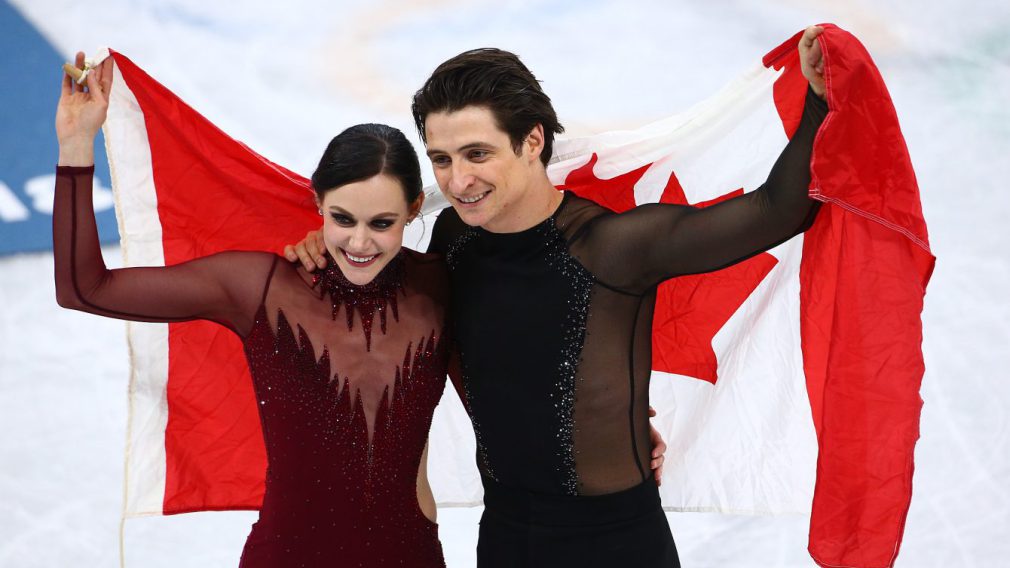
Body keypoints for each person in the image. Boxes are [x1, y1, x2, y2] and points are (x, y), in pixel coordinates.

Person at [287, 26, 830, 568]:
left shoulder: (613, 246)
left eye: (478, 153)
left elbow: (776, 210)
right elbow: (387, 294)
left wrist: (818, 99)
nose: (458, 180)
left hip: (617, 546)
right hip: (504, 538)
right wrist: (324, 246)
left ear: (532, 141)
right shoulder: (454, 240)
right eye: (442, 159)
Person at [54, 53, 448, 567]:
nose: (358, 241)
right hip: (287, 556)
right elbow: (86, 288)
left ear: (415, 209)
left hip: (409, 556)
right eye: (341, 218)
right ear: (317, 203)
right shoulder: (260, 286)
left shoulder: (443, 284)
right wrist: (76, 144)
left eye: (382, 223)